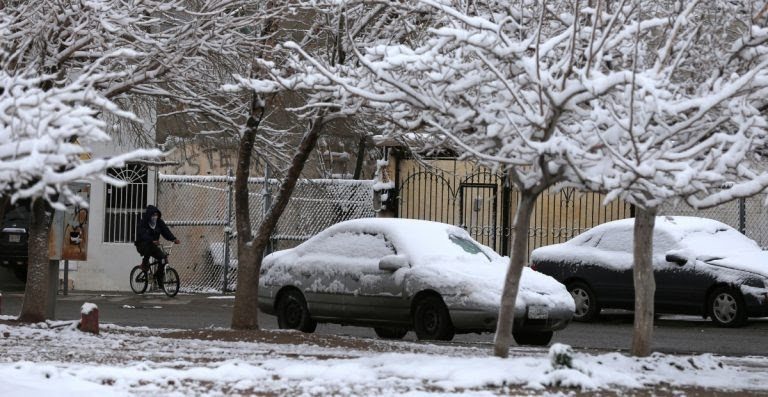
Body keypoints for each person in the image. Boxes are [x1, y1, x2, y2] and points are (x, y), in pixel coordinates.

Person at [134, 205, 180, 284]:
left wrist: (173, 239)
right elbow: (143, 234)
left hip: (153, 246)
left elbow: (166, 231)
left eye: (156, 215)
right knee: (148, 246)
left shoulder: (159, 222)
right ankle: (144, 263)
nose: (155, 217)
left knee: (163, 259)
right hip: (142, 245)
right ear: (149, 215)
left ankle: (158, 277)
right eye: (153, 215)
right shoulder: (143, 222)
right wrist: (151, 240)